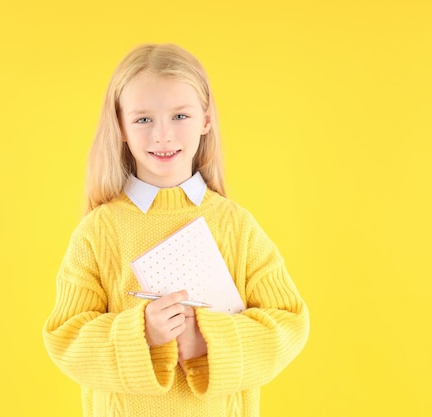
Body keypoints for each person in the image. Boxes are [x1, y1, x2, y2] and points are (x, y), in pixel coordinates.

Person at [42, 43, 310, 417]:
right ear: (119, 126)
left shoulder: (237, 226)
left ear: (205, 119)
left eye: (180, 116)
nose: (162, 135)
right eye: (143, 119)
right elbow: (65, 338)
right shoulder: (98, 232)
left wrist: (206, 341)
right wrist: (143, 335)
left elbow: (289, 324)